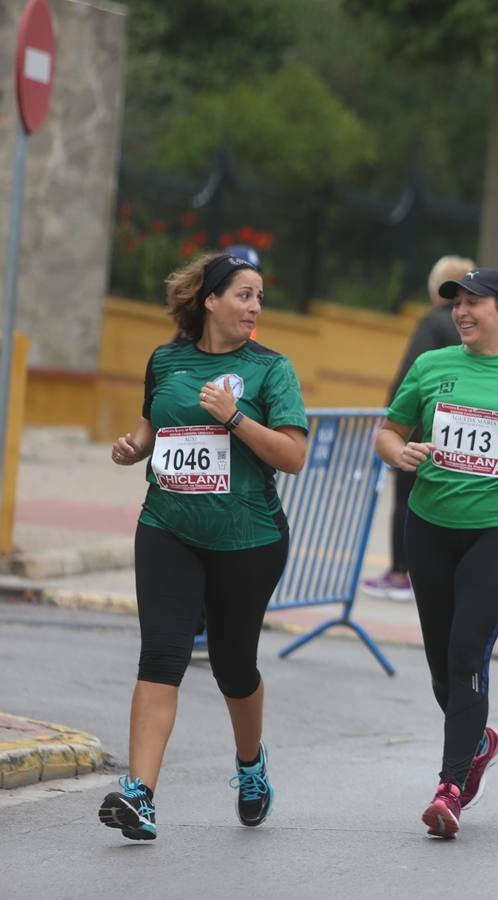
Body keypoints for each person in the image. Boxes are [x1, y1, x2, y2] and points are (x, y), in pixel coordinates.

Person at [98, 253, 309, 841]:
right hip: (167, 526)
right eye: (245, 295)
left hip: (249, 538)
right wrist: (133, 447)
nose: (255, 307)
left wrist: (235, 417)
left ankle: (250, 766)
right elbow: (153, 424)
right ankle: (139, 796)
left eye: (260, 297)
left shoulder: (271, 369)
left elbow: (293, 457)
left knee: (232, 665)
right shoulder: (166, 359)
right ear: (210, 301)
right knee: (161, 655)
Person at [375, 267, 498, 839]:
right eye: (457, 303)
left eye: (474, 303)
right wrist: (400, 452)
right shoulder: (431, 366)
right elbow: (388, 430)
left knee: (467, 653)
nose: (462, 312)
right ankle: (481, 743)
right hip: (430, 528)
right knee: (443, 665)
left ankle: (451, 787)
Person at [363, 255, 476, 601]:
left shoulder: (432, 322)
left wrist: (392, 424)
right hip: (463, 430)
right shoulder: (474, 328)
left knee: (406, 498)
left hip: (422, 429)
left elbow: (411, 377)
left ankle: (400, 571)